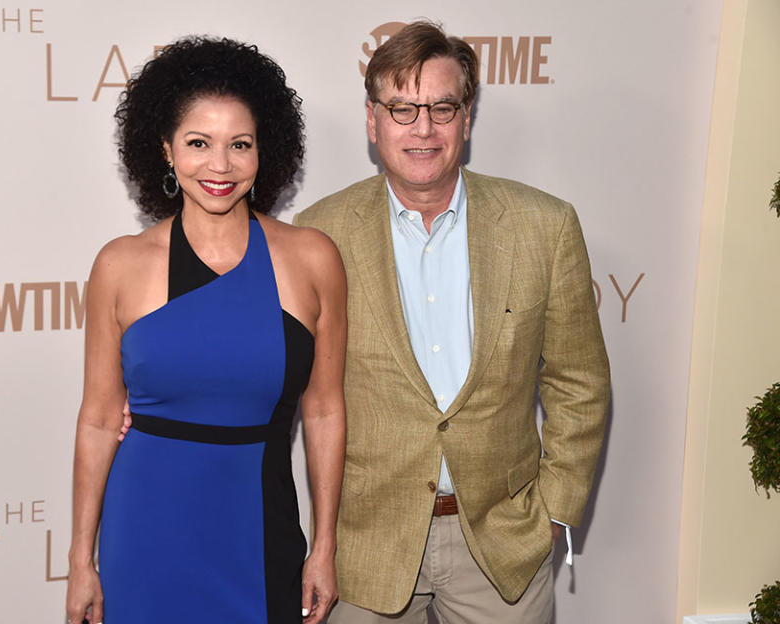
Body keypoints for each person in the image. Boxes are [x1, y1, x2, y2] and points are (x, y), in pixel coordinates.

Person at [294, 21, 610, 624]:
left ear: (466, 119)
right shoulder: (318, 234)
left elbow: (580, 382)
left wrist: (554, 511)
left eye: (442, 107)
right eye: (402, 108)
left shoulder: (544, 226)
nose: (423, 128)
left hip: (503, 544)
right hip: (365, 546)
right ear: (372, 121)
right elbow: (279, 375)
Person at [65, 36, 346, 624]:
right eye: (199, 143)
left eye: (239, 145)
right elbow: (97, 418)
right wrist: (81, 560)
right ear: (166, 150)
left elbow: (323, 410)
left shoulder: (312, 258)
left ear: (263, 151)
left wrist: (324, 546)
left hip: (260, 523)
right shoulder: (119, 265)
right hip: (145, 528)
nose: (219, 166)